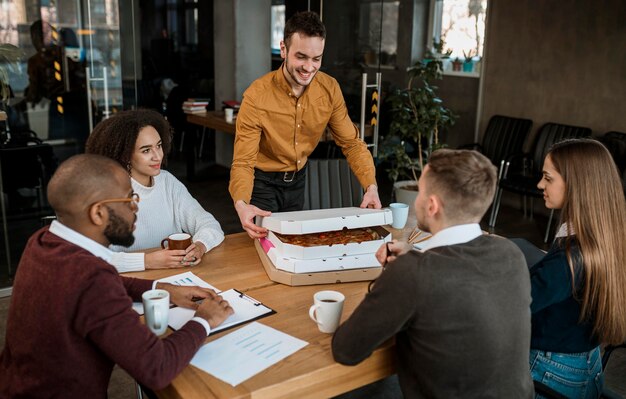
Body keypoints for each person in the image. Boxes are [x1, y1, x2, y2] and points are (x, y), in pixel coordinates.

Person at [0, 154, 233, 397]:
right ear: (98, 213)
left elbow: (95, 283)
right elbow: (156, 368)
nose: (136, 208)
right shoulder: (91, 279)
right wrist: (205, 319)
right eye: (129, 199)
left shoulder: (43, 242)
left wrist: (160, 287)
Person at [332, 149, 534, 398]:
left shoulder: (414, 273)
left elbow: (346, 350)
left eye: (420, 191)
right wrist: (415, 257)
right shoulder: (511, 254)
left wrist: (401, 274)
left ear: (432, 205)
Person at [229, 11, 381, 239]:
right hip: (262, 183)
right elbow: (243, 161)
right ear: (283, 50)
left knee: (292, 244)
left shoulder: (329, 90)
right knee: (263, 248)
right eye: (301, 57)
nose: (309, 67)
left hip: (298, 180)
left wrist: (371, 186)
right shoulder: (256, 96)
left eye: (316, 59)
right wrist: (241, 203)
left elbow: (351, 143)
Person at [527, 139, 626, 398]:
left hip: (551, 370)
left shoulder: (569, 260)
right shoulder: (605, 236)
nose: (540, 185)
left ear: (576, 186)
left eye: (548, 178)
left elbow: (515, 306)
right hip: (587, 361)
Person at [85, 109, 224, 272]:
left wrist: (201, 245)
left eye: (158, 146)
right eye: (146, 150)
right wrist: (147, 261)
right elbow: (89, 258)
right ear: (125, 155)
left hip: (175, 277)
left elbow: (209, 224)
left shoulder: (167, 182)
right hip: (126, 285)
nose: (157, 156)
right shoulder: (108, 192)